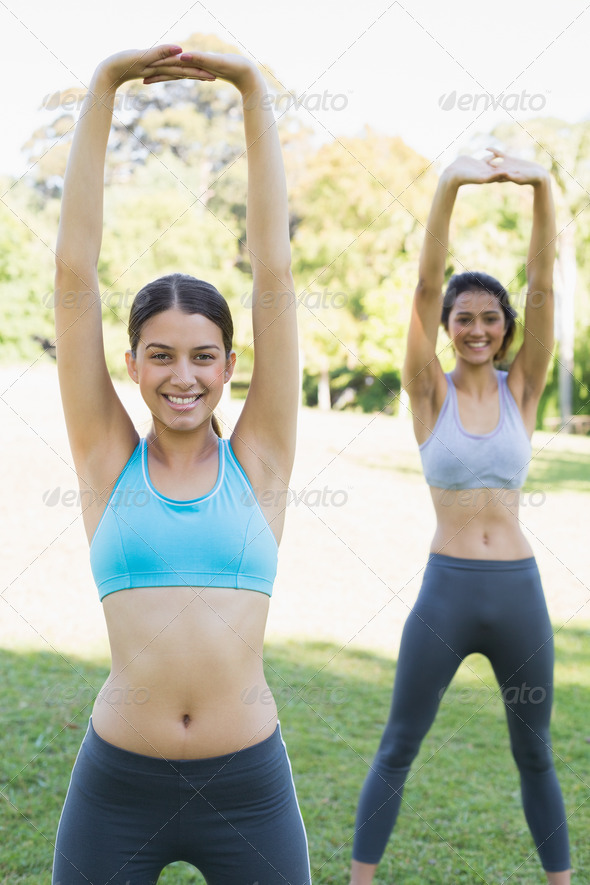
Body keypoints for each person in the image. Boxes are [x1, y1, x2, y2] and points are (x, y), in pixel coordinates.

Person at [52, 45, 310, 885]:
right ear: (132, 364)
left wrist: (251, 87)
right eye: (160, 355)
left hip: (249, 785)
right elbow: (72, 275)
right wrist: (104, 86)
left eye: (203, 356)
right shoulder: (104, 458)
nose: (183, 376)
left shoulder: (261, 460)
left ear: (230, 363)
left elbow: (273, 269)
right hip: (117, 785)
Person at [350, 150, 571, 884]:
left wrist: (542, 187)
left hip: (518, 593)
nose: (478, 329)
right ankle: (360, 877)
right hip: (446, 592)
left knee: (535, 750)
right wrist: (449, 184)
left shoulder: (525, 388)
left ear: (505, 327)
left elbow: (544, 288)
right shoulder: (427, 392)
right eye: (463, 318)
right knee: (399, 742)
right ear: (446, 327)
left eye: (490, 318)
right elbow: (419, 286)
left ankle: (562, 879)